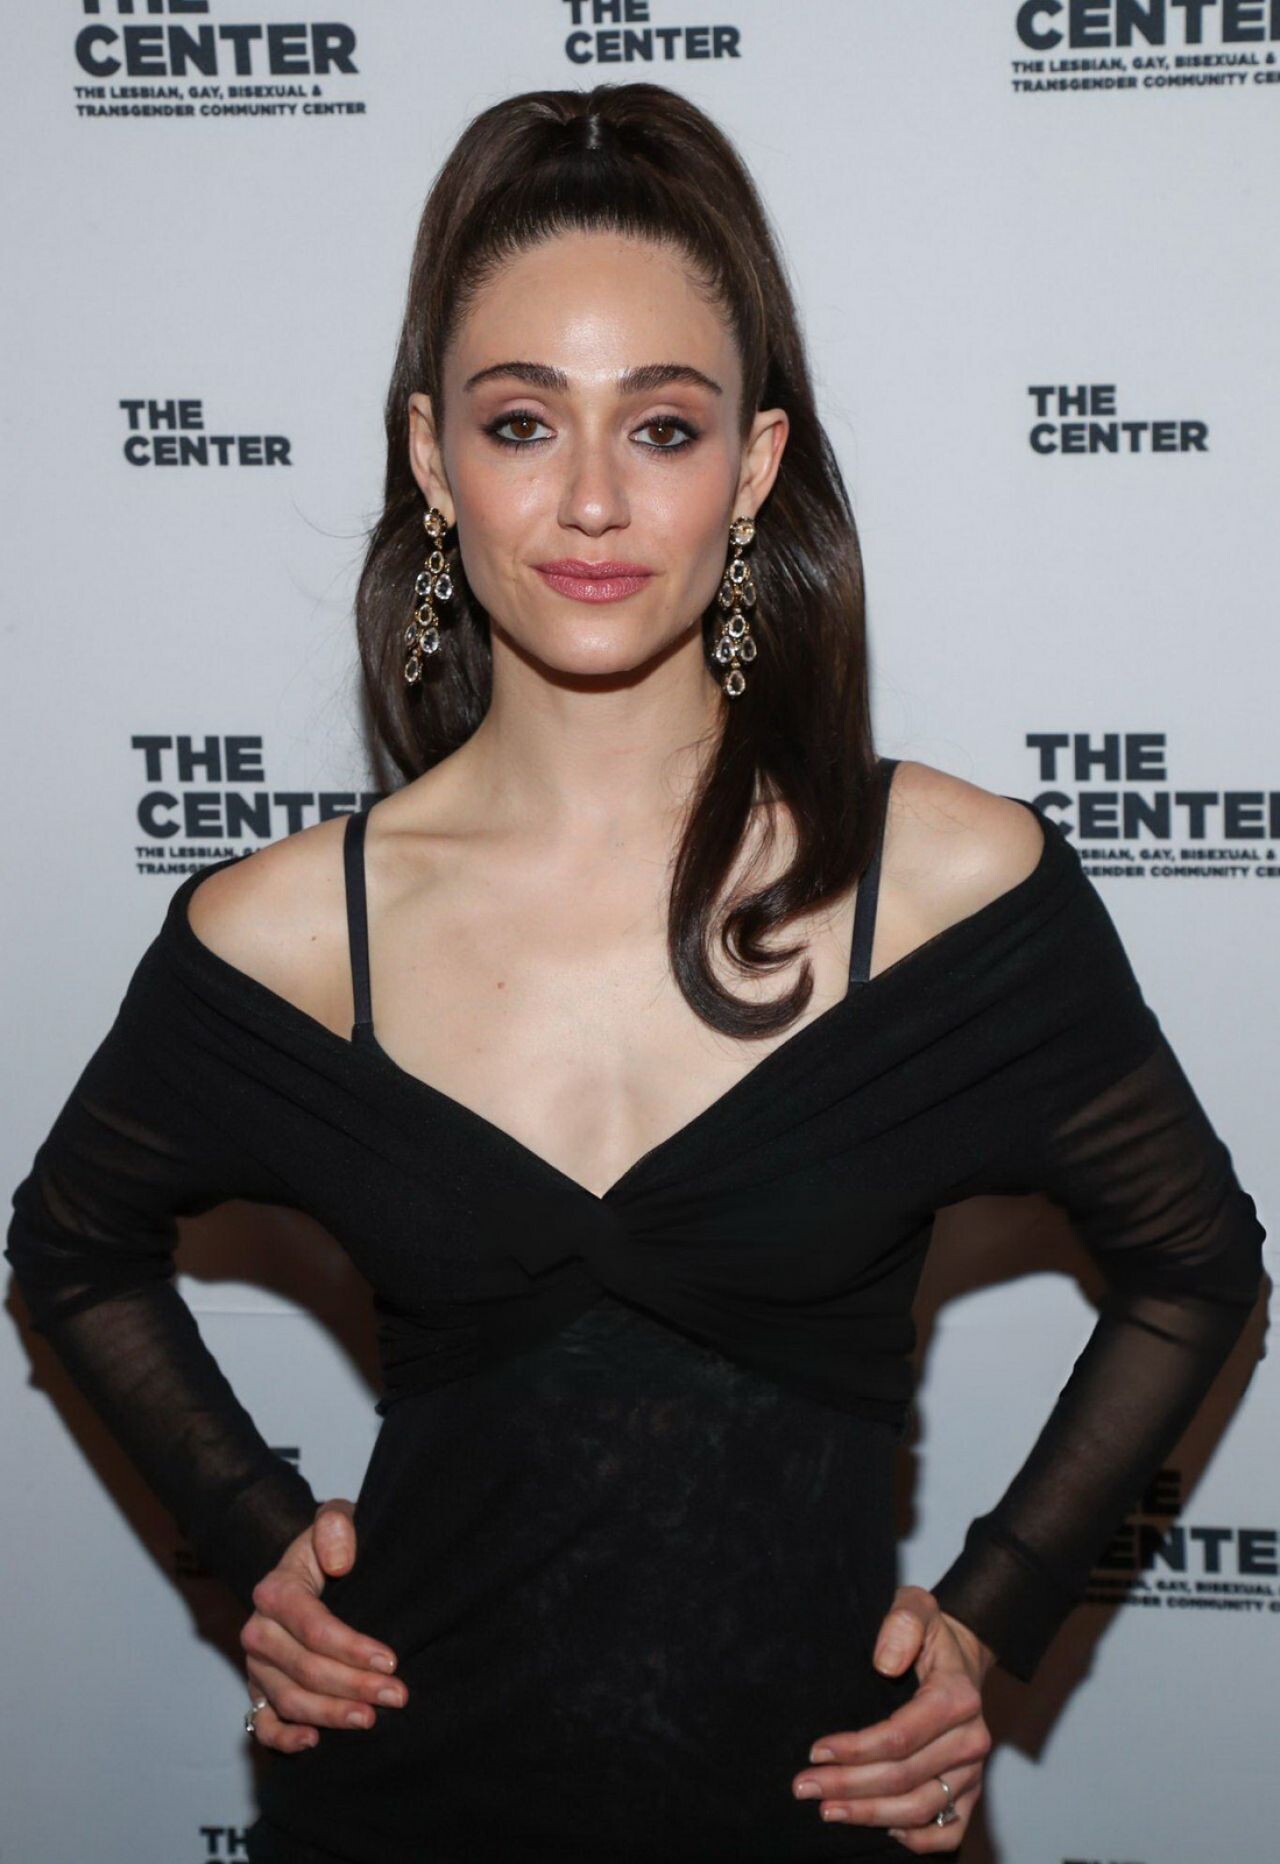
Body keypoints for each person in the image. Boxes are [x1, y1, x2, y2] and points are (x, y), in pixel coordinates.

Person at [5, 81, 1266, 1864]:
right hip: (396, 1816)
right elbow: (70, 1245)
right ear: (432, 457)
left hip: (815, 1823)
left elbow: (1196, 1265)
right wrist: (252, 1531)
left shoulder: (945, 889)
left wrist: (994, 1618)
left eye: (663, 428)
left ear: (752, 466)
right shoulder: (289, 931)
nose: (592, 499)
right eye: (523, 422)